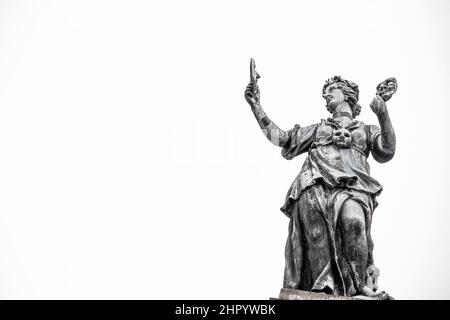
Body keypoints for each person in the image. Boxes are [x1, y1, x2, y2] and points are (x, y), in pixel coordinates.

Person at [244, 75, 396, 299]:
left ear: (346, 94)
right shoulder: (319, 129)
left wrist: (382, 114)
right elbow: (282, 138)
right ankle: (322, 288)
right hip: (314, 181)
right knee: (316, 237)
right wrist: (256, 105)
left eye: (331, 90)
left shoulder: (366, 129)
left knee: (354, 222)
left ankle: (359, 286)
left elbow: (387, 150)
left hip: (353, 184)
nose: (326, 95)